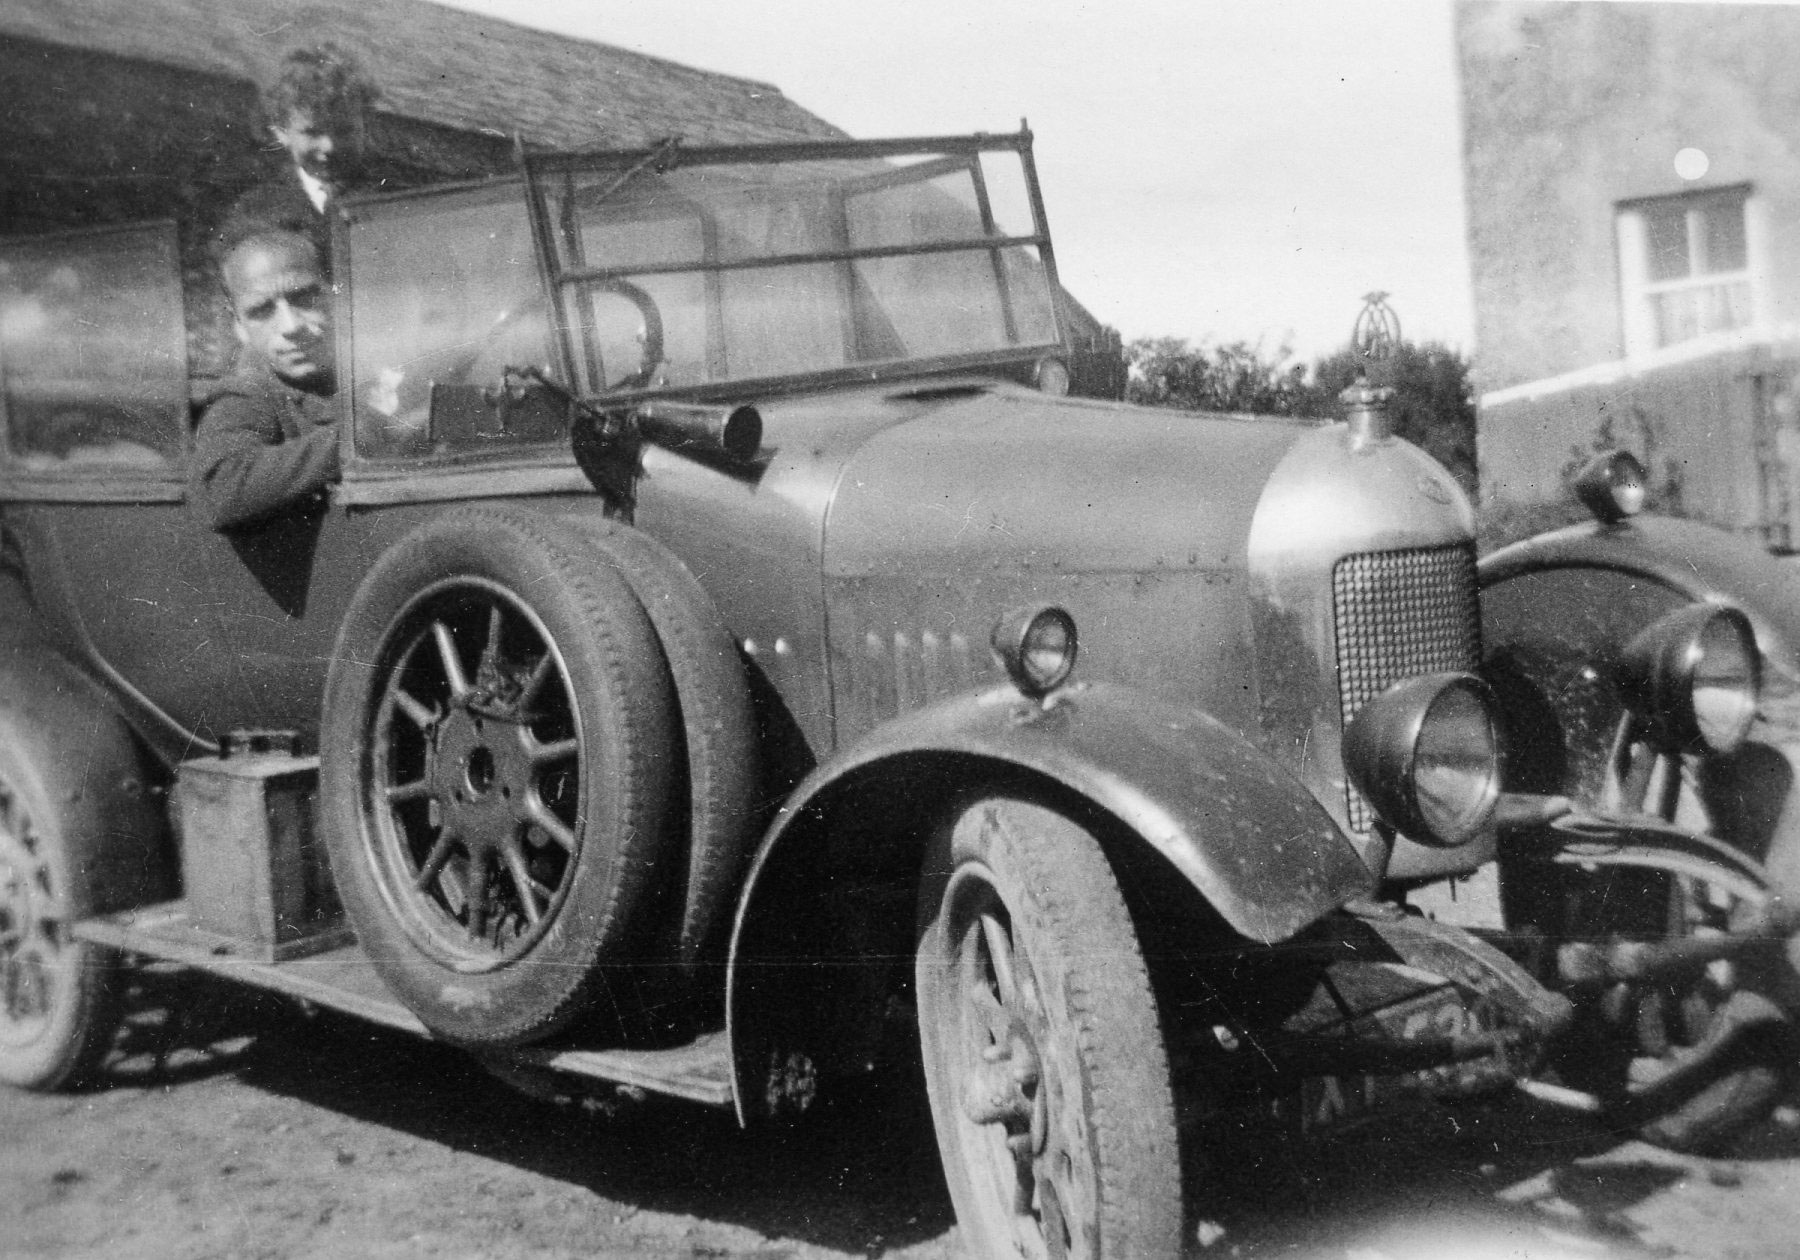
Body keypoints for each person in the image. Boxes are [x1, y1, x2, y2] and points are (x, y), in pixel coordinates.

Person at [190, 225, 340, 530]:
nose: (290, 325)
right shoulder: (245, 396)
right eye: (262, 311)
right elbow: (223, 491)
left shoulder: (368, 370)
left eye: (303, 297)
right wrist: (358, 438)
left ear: (334, 294)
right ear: (239, 326)